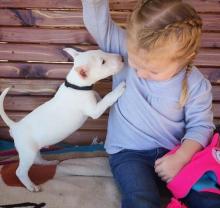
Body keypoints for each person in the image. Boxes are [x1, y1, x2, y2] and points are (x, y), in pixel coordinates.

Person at [81, 0, 219, 207]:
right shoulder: (125, 50)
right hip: (128, 154)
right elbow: (99, 25)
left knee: (206, 197)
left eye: (153, 71)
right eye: (136, 64)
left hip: (175, 153)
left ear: (184, 59)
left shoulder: (196, 84)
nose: (141, 74)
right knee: (141, 198)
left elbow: (201, 126)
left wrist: (181, 157)